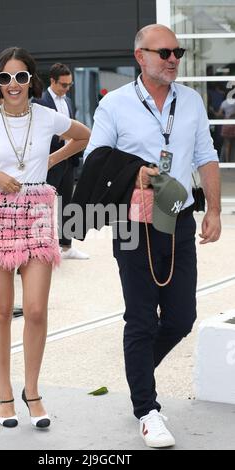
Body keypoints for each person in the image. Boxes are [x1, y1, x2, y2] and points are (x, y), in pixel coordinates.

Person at [83, 24, 221, 448]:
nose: (173, 58)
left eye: (177, 51)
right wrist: (135, 171)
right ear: (140, 56)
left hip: (177, 217)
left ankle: (137, 373)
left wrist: (214, 208)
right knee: (141, 319)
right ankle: (147, 408)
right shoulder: (116, 105)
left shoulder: (192, 100)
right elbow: (95, 158)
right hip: (133, 223)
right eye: (164, 52)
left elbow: (206, 155)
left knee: (181, 318)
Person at [0, 47, 90, 429]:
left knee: (35, 310)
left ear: (32, 80)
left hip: (36, 213)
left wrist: (50, 161)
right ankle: (4, 393)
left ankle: (33, 391)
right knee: (0, 312)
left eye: (20, 77)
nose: (13, 84)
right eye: (5, 78)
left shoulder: (47, 116)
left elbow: (82, 137)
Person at [34, 63, 89, 260]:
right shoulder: (39, 101)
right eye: (63, 85)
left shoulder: (69, 101)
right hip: (49, 161)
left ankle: (66, 246)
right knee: (45, 205)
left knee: (68, 203)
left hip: (69, 160)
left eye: (69, 85)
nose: (67, 89)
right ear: (52, 81)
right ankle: (43, 247)